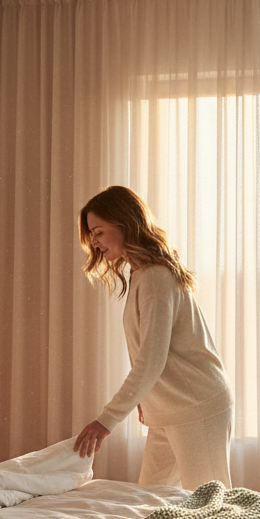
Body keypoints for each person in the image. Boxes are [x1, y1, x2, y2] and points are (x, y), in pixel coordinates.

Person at [73, 185, 233, 490]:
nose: (93, 241)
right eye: (91, 234)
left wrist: (105, 421)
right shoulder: (141, 274)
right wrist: (146, 399)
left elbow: (151, 359)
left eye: (99, 231)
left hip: (197, 406)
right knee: (149, 500)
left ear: (123, 224)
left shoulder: (157, 277)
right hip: (168, 411)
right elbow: (149, 354)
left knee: (211, 505)